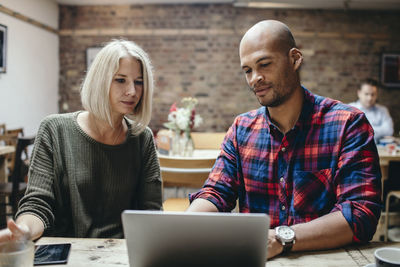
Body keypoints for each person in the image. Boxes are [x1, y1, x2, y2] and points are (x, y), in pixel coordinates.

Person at [188, 20, 382, 259]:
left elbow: (361, 213)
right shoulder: (241, 130)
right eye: (247, 70)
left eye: (265, 64)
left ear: (295, 58)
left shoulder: (348, 124)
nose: (254, 79)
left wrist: (281, 238)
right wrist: (185, 225)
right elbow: (216, 192)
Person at [0, 39, 162, 242]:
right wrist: (24, 230)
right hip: (65, 253)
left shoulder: (142, 138)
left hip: (122, 253)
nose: (132, 91)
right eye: (121, 80)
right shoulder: (54, 130)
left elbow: (152, 211)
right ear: (100, 81)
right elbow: (37, 204)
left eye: (139, 82)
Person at [349, 79, 394, 143]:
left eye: (373, 94)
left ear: (376, 95)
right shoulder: (350, 109)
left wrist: (362, 129)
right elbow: (349, 132)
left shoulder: (383, 110)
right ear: (359, 93)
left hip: (379, 149)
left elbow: (389, 130)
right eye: (366, 94)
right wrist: (377, 130)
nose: (370, 98)